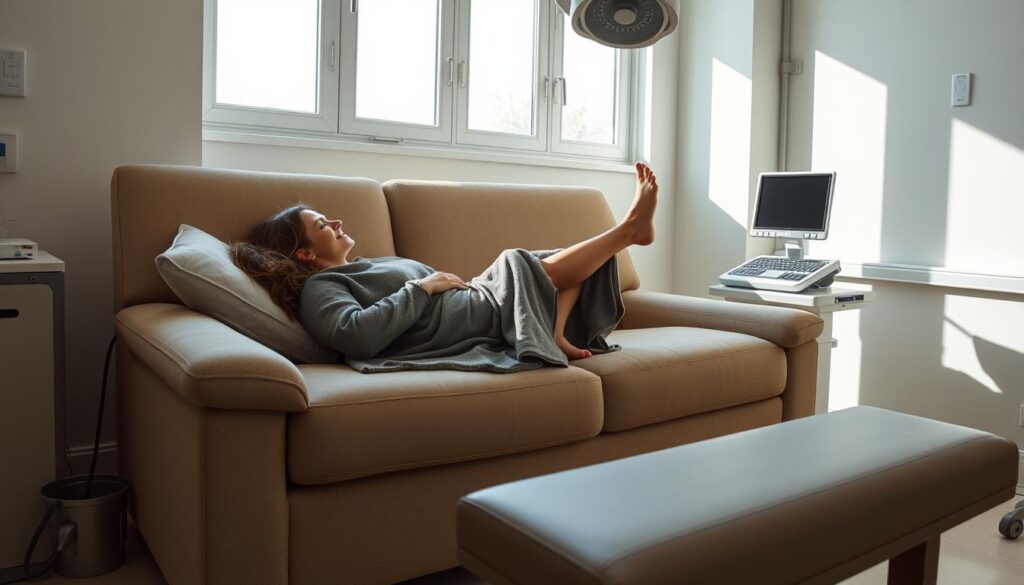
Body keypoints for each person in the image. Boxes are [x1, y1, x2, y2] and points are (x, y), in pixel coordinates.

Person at [232, 162, 658, 372]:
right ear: (305, 253)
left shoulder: (369, 264)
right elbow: (354, 335)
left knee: (548, 259)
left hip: (471, 299)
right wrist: (423, 288)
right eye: (323, 225)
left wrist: (438, 286)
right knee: (517, 260)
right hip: (461, 320)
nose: (338, 222)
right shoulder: (322, 287)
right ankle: (628, 231)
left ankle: (555, 332)